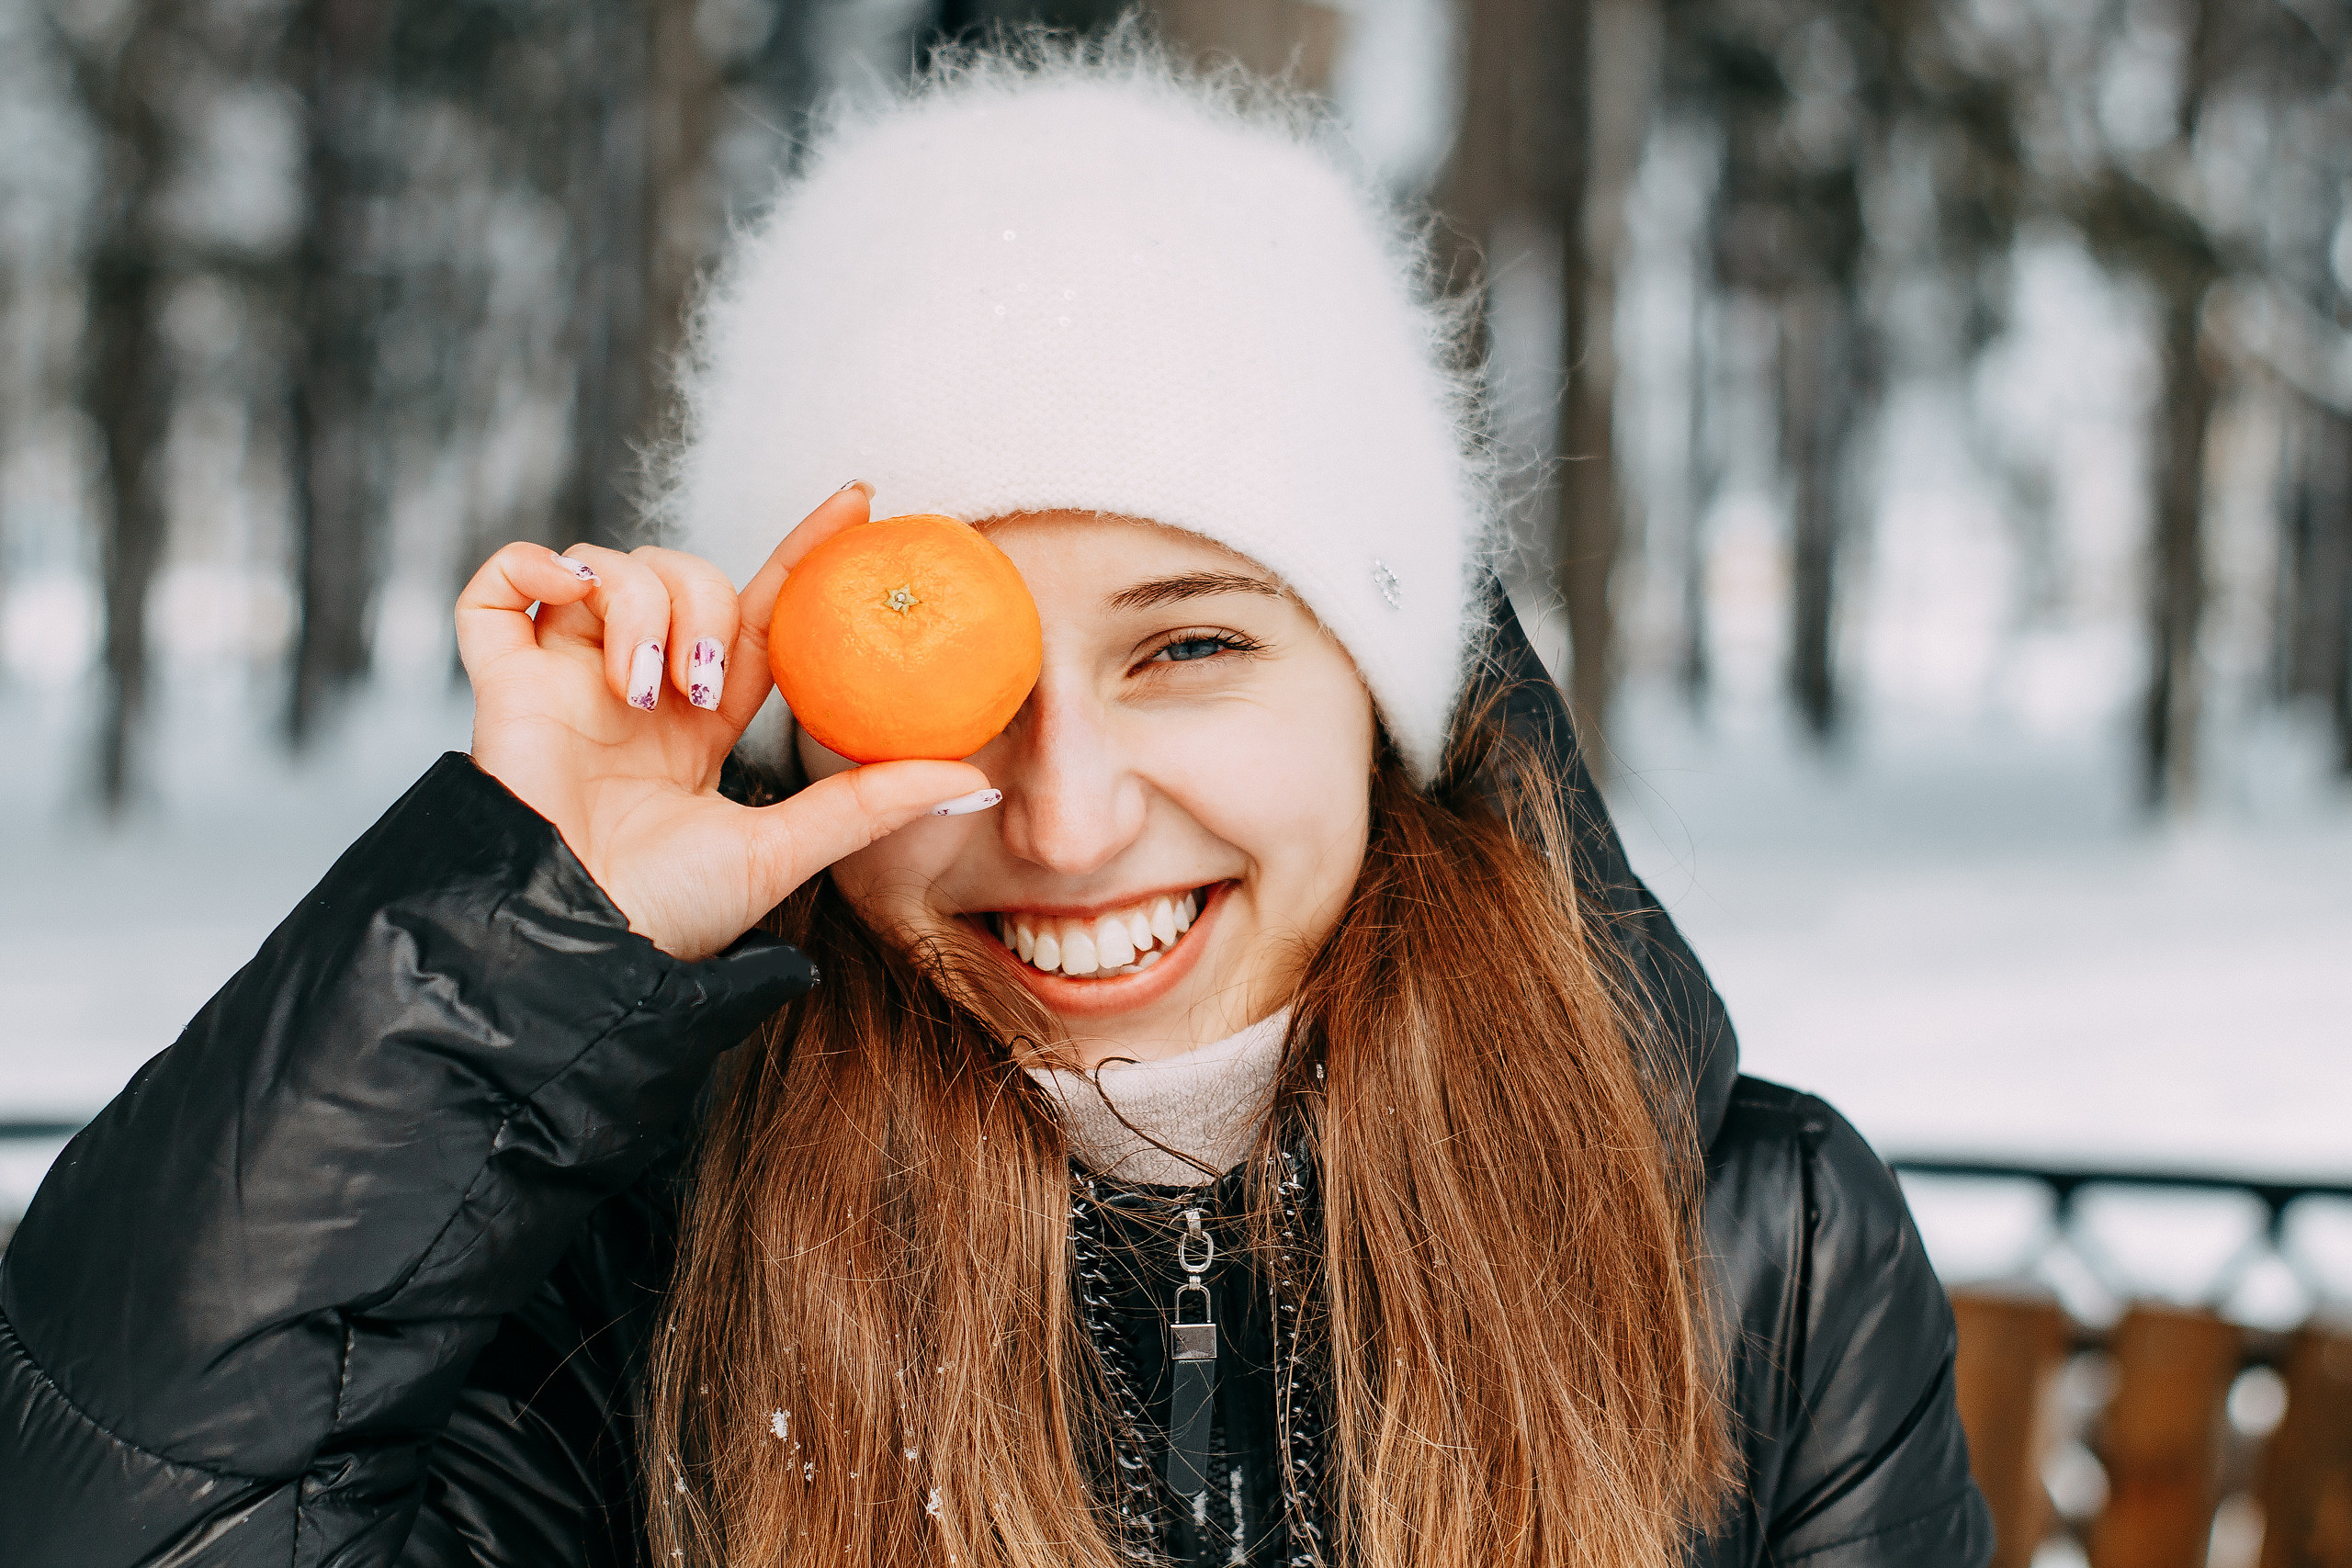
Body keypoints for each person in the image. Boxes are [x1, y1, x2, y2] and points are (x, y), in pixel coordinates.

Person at [0, 40, 1991, 1568]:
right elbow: (119, 1503)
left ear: (1385, 702)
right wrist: (514, 926)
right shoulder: (628, 1268)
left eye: (1188, 646)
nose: (1060, 812)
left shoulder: (1756, 1248)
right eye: (944, 683)